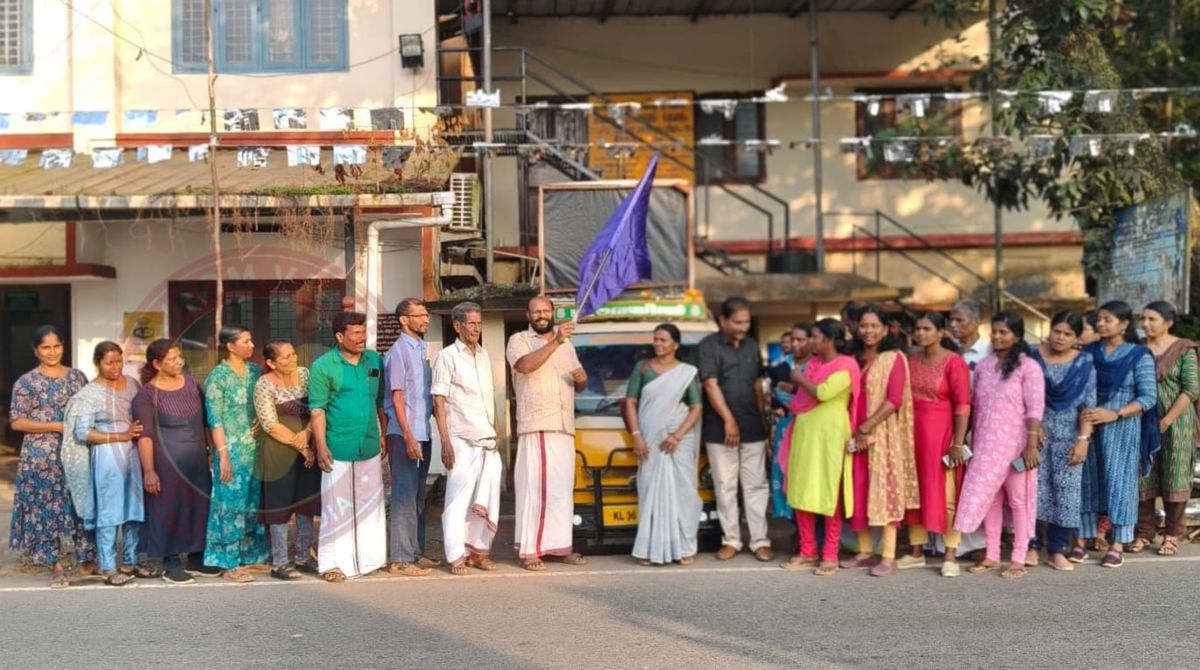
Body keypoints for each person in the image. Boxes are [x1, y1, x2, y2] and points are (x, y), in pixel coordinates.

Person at [954, 312, 1045, 579]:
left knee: (1019, 500)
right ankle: (991, 554)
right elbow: (973, 407)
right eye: (993, 331)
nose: (996, 336)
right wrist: (961, 442)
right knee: (991, 500)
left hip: (1016, 447)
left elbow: (1035, 409)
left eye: (1003, 332)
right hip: (984, 447)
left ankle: (1018, 557)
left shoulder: (1028, 367)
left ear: (1017, 335)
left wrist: (1030, 446)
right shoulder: (983, 366)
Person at [8, 325, 96, 588]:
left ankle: (87, 559)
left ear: (63, 346)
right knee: (46, 509)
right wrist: (56, 426)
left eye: (56, 346)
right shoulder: (26, 382)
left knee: (80, 504)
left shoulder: (77, 377)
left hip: (76, 452)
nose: (52, 352)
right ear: (36, 350)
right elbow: (17, 422)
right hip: (41, 455)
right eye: (45, 347)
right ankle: (55, 564)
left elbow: (89, 408)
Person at [507, 296, 589, 570]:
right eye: (536, 311)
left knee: (561, 490)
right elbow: (524, 366)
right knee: (535, 489)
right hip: (538, 424)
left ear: (552, 312)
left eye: (545, 311)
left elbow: (578, 380)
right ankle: (530, 550)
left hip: (564, 425)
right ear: (528, 314)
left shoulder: (566, 345)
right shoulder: (519, 339)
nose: (541, 315)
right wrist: (555, 341)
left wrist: (581, 379)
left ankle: (559, 546)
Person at [1077, 301, 1160, 568]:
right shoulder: (1089, 353)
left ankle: (1118, 544)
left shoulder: (1139, 355)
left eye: (1107, 319)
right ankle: (1081, 540)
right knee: (1088, 481)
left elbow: (1148, 397)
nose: (1100, 324)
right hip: (1089, 424)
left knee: (1120, 483)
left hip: (1122, 428)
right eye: (1098, 319)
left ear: (1124, 324)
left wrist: (1115, 413)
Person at [779, 319, 862, 576]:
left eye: (815, 337)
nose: (811, 342)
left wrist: (799, 379)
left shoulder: (846, 364)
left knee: (829, 493)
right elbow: (799, 400)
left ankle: (829, 553)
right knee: (801, 489)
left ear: (830, 339)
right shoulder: (813, 364)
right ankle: (807, 550)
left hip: (830, 436)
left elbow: (824, 393)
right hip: (804, 433)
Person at [309, 311, 388, 582]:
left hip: (368, 444)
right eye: (355, 333)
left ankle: (370, 560)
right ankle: (332, 564)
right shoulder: (323, 366)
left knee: (370, 503)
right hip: (337, 445)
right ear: (339, 336)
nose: (361, 338)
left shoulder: (374, 361)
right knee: (336, 506)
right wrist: (320, 445)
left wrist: (383, 433)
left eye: (363, 332)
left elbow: (379, 401)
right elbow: (317, 409)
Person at [842, 305, 918, 577]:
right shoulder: (852, 357)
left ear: (886, 329)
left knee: (886, 491)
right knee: (858, 490)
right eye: (864, 325)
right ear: (856, 327)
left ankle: (887, 556)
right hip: (851, 433)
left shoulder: (893, 358)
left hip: (881, 433)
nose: (869, 331)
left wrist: (867, 426)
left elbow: (894, 400)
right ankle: (864, 551)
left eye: (875, 326)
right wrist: (854, 429)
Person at [61, 341, 144, 587]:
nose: (115, 367)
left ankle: (130, 562)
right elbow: (83, 433)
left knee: (134, 510)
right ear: (98, 363)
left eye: (118, 361)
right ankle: (108, 567)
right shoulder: (88, 394)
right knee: (110, 511)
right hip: (107, 455)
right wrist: (120, 436)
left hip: (133, 455)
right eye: (109, 362)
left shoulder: (132, 385)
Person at [132, 339, 213, 584]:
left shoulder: (191, 385)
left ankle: (197, 556)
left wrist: (212, 450)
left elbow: (206, 421)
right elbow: (144, 436)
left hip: (197, 459)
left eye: (180, 356)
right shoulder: (147, 395)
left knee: (199, 505)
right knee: (170, 509)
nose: (180, 361)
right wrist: (149, 471)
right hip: (167, 464)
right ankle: (171, 561)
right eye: (172, 358)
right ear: (157, 364)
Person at [621, 323, 704, 566]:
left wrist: (677, 435)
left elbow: (696, 407)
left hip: (679, 440)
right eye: (655, 339)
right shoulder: (643, 368)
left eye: (663, 340)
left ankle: (684, 547)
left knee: (683, 490)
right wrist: (636, 434)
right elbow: (630, 402)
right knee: (649, 491)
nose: (657, 343)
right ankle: (649, 549)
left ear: (675, 344)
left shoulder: (687, 372)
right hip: (649, 440)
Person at [698, 297, 773, 562]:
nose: (743, 327)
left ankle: (760, 541)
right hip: (720, 429)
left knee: (756, 485)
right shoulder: (708, 346)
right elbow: (710, 384)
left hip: (752, 427)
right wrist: (728, 419)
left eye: (747, 322)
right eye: (738, 322)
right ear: (723, 321)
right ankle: (730, 540)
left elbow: (757, 386)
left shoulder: (752, 346)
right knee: (725, 486)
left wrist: (765, 424)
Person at [433, 302, 502, 575]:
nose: (476, 328)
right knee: (457, 501)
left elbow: (489, 398)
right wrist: (445, 443)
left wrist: (496, 431)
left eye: (479, 323)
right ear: (457, 326)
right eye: (471, 323)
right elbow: (439, 401)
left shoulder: (484, 355)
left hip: (488, 439)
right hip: (461, 439)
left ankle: (479, 553)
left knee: (486, 499)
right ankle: (455, 556)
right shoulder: (446, 357)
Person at [903, 313, 971, 577]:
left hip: (942, 435)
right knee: (916, 492)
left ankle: (950, 554)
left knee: (947, 495)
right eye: (918, 328)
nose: (921, 333)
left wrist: (957, 442)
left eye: (927, 328)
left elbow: (963, 405)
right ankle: (916, 552)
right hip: (913, 435)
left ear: (941, 333)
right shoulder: (910, 360)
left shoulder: (954, 363)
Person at [1028, 312, 1096, 572]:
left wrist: (1083, 440)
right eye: (1057, 331)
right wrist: (1033, 429)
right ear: (1049, 330)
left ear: (1077, 337)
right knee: (1032, 491)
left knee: (1066, 495)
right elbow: (1020, 397)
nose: (1061, 337)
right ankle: (1032, 545)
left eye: (1068, 334)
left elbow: (1088, 406)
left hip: (1070, 436)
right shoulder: (1032, 357)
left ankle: (1056, 550)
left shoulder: (1084, 362)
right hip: (1035, 435)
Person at [203, 325, 270, 583]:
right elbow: (214, 419)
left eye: (251, 340)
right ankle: (228, 562)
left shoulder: (254, 371)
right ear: (230, 346)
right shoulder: (217, 377)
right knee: (230, 506)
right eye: (246, 341)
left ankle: (250, 556)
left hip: (255, 449)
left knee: (253, 504)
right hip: (230, 450)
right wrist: (223, 455)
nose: (252, 345)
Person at [1132, 301, 1197, 557]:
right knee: (1142, 476)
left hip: (1177, 423)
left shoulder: (1184, 349)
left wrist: (1167, 420)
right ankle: (1144, 533)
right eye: (1143, 319)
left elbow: (1191, 388)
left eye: (1152, 319)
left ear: (1168, 322)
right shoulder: (1137, 350)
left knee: (1175, 475)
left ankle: (1171, 534)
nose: (1145, 324)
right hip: (1141, 421)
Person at [254, 340, 321, 580]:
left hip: (308, 447)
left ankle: (304, 555)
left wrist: (308, 436)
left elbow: (317, 407)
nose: (293, 360)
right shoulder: (264, 384)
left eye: (293, 354)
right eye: (285, 357)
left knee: (306, 505)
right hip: (278, 452)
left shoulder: (305, 375)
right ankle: (280, 563)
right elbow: (269, 424)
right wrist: (301, 446)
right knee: (279, 507)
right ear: (271, 362)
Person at [383, 298, 438, 577]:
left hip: (422, 432)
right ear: (404, 320)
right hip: (404, 434)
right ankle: (400, 559)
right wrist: (407, 436)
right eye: (420, 315)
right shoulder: (398, 352)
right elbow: (397, 396)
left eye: (426, 315)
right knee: (404, 496)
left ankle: (416, 552)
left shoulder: (421, 350)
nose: (426, 320)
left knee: (418, 496)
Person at [950, 300, 991, 382]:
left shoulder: (989, 351)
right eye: (952, 320)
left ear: (976, 322)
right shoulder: (947, 348)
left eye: (959, 320)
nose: (953, 324)